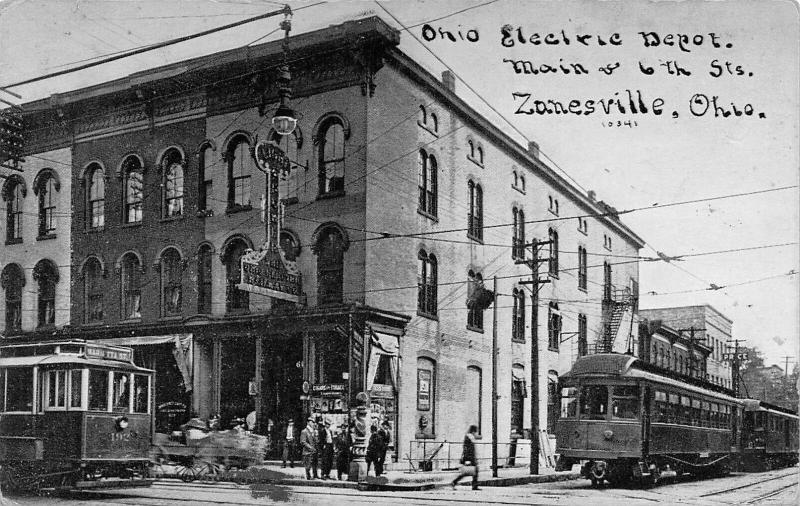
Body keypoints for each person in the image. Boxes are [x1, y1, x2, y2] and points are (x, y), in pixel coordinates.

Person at [452, 425, 480, 490]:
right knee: (468, 472)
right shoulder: (468, 437)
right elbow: (467, 449)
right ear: (473, 431)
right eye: (475, 431)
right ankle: (454, 482)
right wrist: (468, 459)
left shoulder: (470, 437)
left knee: (472, 472)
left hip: (471, 457)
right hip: (469, 458)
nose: (475, 433)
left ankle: (474, 486)